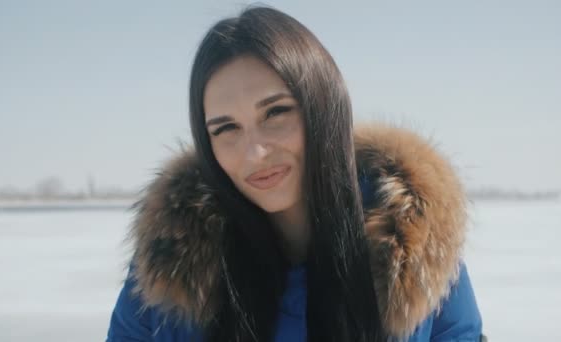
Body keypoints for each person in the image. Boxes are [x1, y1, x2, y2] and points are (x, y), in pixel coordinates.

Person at [107, 5, 485, 342]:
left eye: (275, 113)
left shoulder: (416, 245)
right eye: (226, 129)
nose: (254, 152)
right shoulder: (174, 258)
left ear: (322, 106)